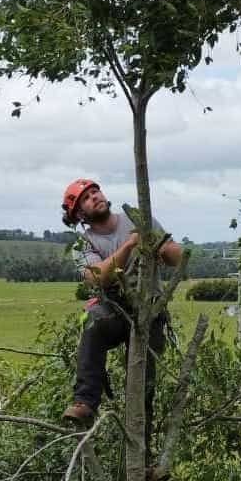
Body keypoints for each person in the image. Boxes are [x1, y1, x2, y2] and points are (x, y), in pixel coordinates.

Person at [60, 178, 182, 450]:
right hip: (114, 308)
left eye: (95, 192)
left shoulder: (136, 220)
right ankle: (85, 402)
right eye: (86, 198)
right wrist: (129, 246)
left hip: (149, 309)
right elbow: (96, 279)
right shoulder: (84, 244)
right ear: (79, 214)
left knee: (141, 390)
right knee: (93, 324)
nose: (95, 197)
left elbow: (177, 258)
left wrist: (157, 243)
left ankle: (143, 460)